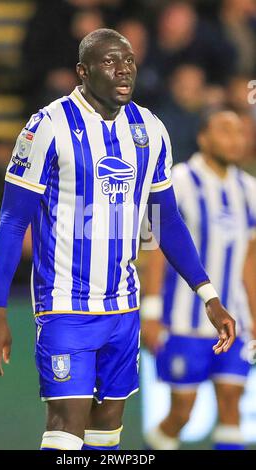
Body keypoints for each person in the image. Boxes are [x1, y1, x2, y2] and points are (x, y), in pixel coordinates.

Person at [0, 29, 236, 451]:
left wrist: (208, 295)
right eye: (109, 61)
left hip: (123, 306)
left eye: (129, 61)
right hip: (65, 305)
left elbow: (165, 220)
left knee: (106, 433)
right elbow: (12, 221)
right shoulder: (48, 125)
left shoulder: (150, 128)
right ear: (82, 72)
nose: (123, 70)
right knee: (66, 424)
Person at [141, 109, 256, 450]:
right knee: (182, 414)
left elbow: (250, 260)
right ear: (203, 137)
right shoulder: (179, 181)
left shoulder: (249, 189)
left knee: (232, 401)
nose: (235, 140)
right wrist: (150, 311)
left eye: (240, 132)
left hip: (234, 320)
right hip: (183, 319)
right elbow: (158, 250)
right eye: (224, 131)